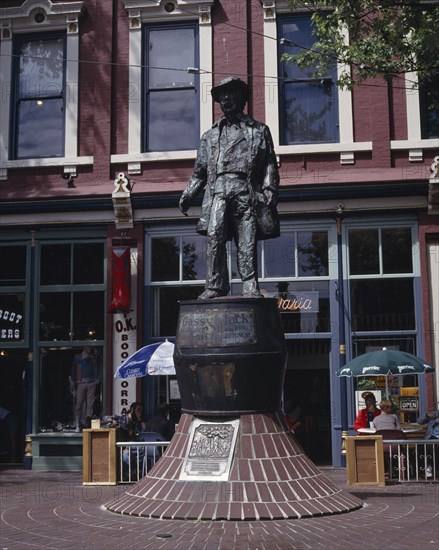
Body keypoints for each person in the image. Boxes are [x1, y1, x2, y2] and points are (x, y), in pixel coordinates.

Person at [179, 77, 280, 299]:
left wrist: (269, 188)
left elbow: (270, 163)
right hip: (218, 193)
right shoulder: (210, 136)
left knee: (247, 240)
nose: (226, 100)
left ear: (242, 98)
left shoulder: (260, 131)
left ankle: (249, 284)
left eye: (230, 94)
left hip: (246, 191)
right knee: (215, 237)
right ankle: (215, 285)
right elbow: (200, 172)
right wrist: (188, 194)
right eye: (222, 97)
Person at [69, 347, 99, 431]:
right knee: (79, 403)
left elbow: (97, 367)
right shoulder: (78, 357)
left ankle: (87, 422)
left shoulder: (93, 357)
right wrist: (73, 382)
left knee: (90, 403)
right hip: (81, 382)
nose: (90, 349)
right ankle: (78, 423)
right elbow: (74, 370)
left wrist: (97, 378)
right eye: (88, 347)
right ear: (85, 348)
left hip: (91, 382)